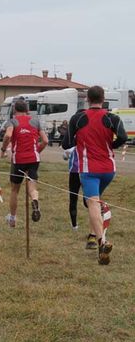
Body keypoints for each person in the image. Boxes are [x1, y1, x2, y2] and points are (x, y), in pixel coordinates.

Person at [62, 85, 127, 265]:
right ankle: (92, 236)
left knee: (91, 202)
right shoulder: (112, 118)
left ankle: (101, 242)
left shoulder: (78, 118)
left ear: (88, 99)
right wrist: (111, 146)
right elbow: (122, 137)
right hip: (108, 169)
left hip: (89, 169)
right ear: (103, 98)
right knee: (93, 202)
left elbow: (66, 144)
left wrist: (79, 140)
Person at [0, 99, 48, 228]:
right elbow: (45, 140)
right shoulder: (35, 121)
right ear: (27, 110)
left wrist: (3, 150)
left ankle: (12, 218)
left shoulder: (13, 121)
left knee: (15, 190)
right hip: (34, 159)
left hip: (19, 160)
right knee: (32, 187)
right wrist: (37, 151)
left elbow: (7, 136)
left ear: (15, 110)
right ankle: (35, 200)